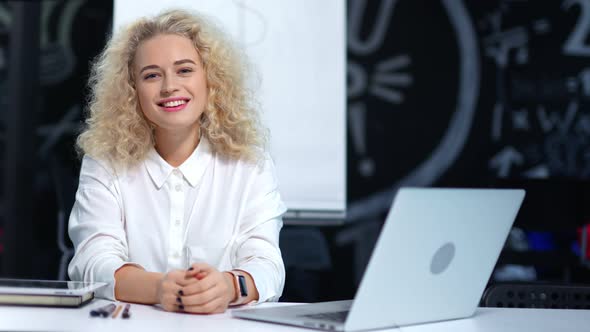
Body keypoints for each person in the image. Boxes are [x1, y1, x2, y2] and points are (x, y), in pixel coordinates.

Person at [68, 9, 286, 314]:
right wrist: (160, 288)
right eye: (152, 75)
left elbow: (266, 265)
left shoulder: (251, 164)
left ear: (211, 78)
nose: (169, 86)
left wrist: (227, 286)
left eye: (184, 70)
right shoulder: (104, 163)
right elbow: (93, 262)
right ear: (132, 90)